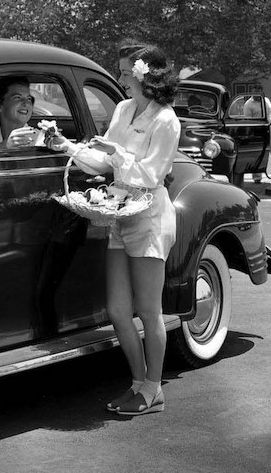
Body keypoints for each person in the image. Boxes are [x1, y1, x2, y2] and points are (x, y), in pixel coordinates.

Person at [48, 44, 181, 415]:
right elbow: (101, 164)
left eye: (125, 72)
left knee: (149, 311)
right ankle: (139, 384)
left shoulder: (167, 120)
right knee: (119, 310)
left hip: (150, 217)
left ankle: (154, 389)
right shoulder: (123, 110)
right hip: (121, 213)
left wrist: (116, 154)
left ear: (144, 77)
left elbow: (151, 174)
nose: (120, 78)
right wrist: (65, 145)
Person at [0, 76, 40, 147]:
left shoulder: (39, 139)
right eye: (17, 97)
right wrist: (4, 146)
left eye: (28, 99)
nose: (26, 103)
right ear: (0, 105)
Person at [244, 95, 271, 182]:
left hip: (267, 126)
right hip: (256, 128)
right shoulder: (248, 104)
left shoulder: (266, 101)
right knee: (257, 150)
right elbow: (248, 120)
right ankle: (257, 176)